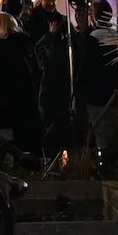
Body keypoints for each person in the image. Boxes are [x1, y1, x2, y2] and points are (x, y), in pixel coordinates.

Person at [75, 0, 118, 171]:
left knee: (100, 131)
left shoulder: (92, 40)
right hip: (115, 93)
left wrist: (79, 85)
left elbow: (86, 67)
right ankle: (114, 164)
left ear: (94, 17)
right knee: (114, 131)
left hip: (95, 94)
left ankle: (105, 169)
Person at [0, 9, 42, 158]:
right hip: (26, 97)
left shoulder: (0, 48)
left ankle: (13, 161)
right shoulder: (23, 46)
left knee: (9, 138)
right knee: (26, 133)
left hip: (8, 98)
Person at [36, 10, 73, 169]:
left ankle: (51, 166)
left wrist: (49, 35)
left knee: (51, 135)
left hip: (50, 95)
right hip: (65, 96)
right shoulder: (69, 50)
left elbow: (37, 51)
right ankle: (65, 165)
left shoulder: (50, 50)